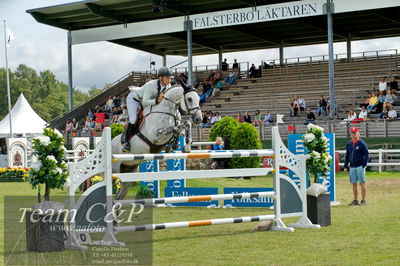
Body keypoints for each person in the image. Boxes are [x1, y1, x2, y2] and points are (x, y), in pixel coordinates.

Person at [121, 67, 172, 152]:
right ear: (160, 78)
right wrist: (156, 101)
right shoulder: (151, 85)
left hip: (149, 101)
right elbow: (144, 102)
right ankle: (125, 140)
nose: (169, 79)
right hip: (135, 99)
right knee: (133, 119)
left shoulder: (168, 86)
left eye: (170, 77)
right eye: (167, 77)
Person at [344, 127, 369, 206]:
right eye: (352, 133)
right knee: (354, 184)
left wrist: (364, 165)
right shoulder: (349, 144)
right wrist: (345, 166)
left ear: (358, 133)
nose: (353, 134)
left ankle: (363, 200)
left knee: (362, 183)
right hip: (352, 167)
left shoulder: (362, 143)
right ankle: (355, 200)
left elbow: (367, 155)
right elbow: (347, 156)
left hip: (360, 166)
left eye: (355, 133)